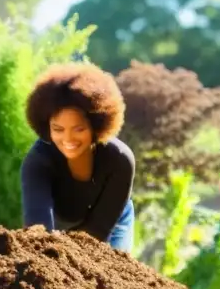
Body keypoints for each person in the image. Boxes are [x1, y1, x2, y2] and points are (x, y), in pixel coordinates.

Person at [20, 62, 135, 252]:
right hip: (58, 219)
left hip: (111, 220)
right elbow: (37, 230)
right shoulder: (37, 162)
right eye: (58, 129)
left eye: (79, 129)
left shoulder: (120, 160)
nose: (68, 139)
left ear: (96, 126)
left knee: (109, 270)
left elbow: (98, 232)